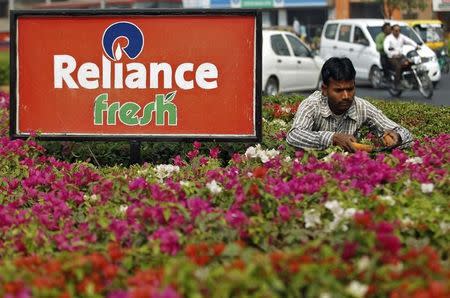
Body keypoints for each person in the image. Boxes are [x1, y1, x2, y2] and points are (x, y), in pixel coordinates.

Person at [286, 57, 412, 152]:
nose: (346, 96)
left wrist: (398, 137)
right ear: (324, 89)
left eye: (350, 89)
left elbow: (404, 133)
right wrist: (332, 138)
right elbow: (294, 135)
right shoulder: (312, 105)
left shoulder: (362, 107)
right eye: (338, 90)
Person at [383, 24, 418, 90]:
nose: (397, 32)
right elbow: (386, 48)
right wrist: (391, 53)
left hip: (401, 56)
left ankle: (412, 80)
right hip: (392, 57)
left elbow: (409, 41)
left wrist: (416, 46)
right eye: (396, 30)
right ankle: (396, 84)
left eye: (399, 30)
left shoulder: (401, 37)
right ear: (392, 31)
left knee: (411, 63)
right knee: (398, 67)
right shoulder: (388, 38)